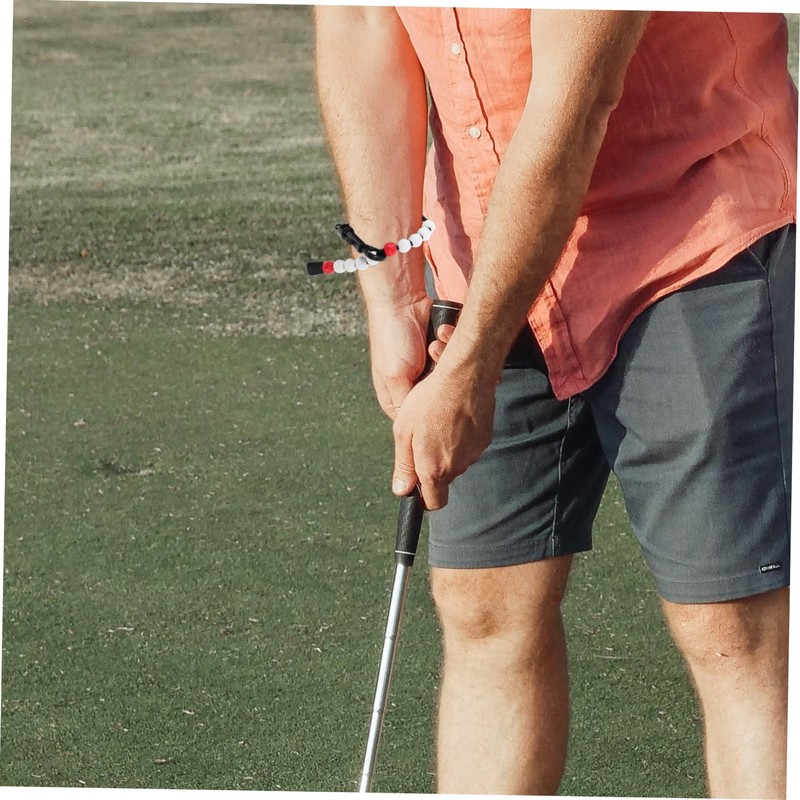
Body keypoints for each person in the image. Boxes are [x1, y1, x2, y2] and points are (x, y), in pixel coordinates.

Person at [313, 7, 796, 798]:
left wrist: (471, 366)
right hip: (482, 249)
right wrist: (391, 292)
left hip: (694, 228)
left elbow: (575, 108)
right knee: (484, 604)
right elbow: (363, 19)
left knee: (732, 626)